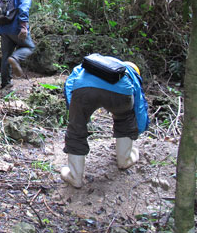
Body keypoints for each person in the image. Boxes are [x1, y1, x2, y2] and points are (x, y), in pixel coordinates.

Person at [61, 58, 149, 188]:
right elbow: (140, 108)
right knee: (125, 119)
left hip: (83, 88)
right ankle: (125, 159)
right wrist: (139, 128)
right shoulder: (130, 74)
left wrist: (76, 114)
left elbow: (69, 84)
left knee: (76, 129)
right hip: (121, 94)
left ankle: (75, 177)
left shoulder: (90, 64)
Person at [0, 0, 35, 89]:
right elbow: (24, 9)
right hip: (16, 28)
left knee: (5, 55)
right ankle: (16, 58)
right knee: (29, 47)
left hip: (3, 29)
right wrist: (23, 27)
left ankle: (5, 83)